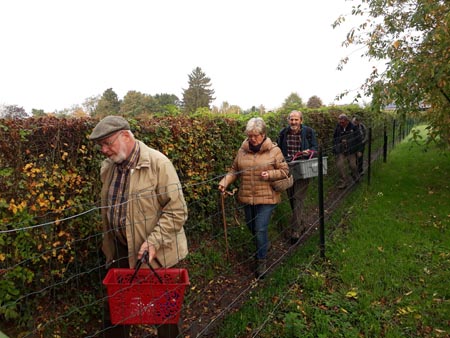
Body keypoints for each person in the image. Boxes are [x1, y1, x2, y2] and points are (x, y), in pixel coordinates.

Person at [89, 115, 188, 338]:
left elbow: (177, 210)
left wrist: (154, 240)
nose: (104, 150)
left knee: (164, 314)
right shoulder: (110, 167)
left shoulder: (158, 164)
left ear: (126, 136)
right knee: (116, 309)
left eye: (107, 143)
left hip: (157, 254)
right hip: (120, 249)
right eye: (100, 145)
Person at [218, 117, 288, 279]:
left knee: (260, 228)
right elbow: (234, 170)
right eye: (250, 135)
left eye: (255, 136)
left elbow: (285, 171)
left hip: (267, 197)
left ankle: (261, 260)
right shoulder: (242, 150)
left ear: (263, 135)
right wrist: (225, 182)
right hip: (247, 197)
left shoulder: (274, 151)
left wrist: (270, 174)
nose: (252, 139)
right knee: (251, 227)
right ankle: (264, 244)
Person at [277, 110, 318, 244]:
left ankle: (295, 231)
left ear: (301, 120)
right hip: (288, 169)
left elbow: (315, 148)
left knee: (298, 197)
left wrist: (308, 152)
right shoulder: (283, 133)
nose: (293, 122)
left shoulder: (309, 132)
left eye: (296, 119)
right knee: (291, 198)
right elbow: (278, 150)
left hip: (303, 168)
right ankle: (301, 223)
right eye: (291, 119)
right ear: (288, 120)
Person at [332, 113, 362, 189]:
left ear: (347, 121)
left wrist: (359, 150)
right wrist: (339, 143)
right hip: (341, 150)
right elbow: (334, 138)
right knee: (340, 165)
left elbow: (359, 139)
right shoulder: (338, 127)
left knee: (352, 165)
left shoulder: (354, 127)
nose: (340, 123)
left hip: (351, 150)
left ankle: (355, 175)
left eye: (342, 122)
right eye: (339, 122)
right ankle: (344, 181)